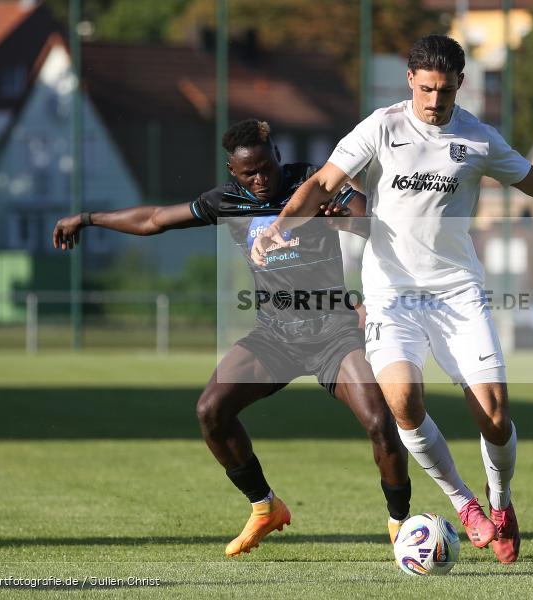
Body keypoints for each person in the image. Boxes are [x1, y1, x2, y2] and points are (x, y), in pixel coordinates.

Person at [251, 35, 533, 564]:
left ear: (461, 83)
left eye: (446, 90)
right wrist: (281, 226)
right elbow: (323, 183)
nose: (435, 101)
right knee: (403, 400)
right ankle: (464, 503)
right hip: (391, 294)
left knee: (495, 415)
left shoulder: (478, 139)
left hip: (457, 292)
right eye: (427, 89)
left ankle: (501, 504)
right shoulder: (381, 128)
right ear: (410, 80)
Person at [52, 119, 411, 556]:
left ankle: (400, 525)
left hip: (333, 332)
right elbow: (154, 219)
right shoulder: (227, 200)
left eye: (265, 167)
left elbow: (372, 223)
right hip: (275, 336)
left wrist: (345, 221)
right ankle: (265, 506)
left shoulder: (312, 182)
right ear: (232, 171)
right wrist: (87, 219)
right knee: (211, 411)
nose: (260, 179)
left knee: (379, 422)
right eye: (248, 173)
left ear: (277, 154)